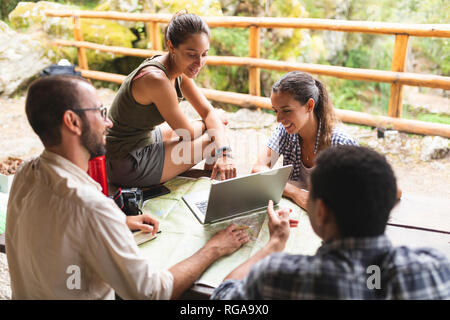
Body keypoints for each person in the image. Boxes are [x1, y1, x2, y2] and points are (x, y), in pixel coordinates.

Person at [5, 75, 249, 299]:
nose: (108, 123)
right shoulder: (91, 206)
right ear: (73, 122)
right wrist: (214, 248)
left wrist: (119, 222)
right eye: (101, 112)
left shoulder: (26, 172)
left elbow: (58, 225)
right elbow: (152, 293)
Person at [212, 146, 450, 299]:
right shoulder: (435, 269)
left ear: (322, 211)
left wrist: (273, 244)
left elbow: (224, 296)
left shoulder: (282, 277)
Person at [106, 12, 236, 187]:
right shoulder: (157, 79)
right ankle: (211, 179)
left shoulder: (178, 66)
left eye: (204, 54)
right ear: (171, 46)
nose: (199, 63)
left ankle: (208, 172)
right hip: (125, 161)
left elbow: (207, 111)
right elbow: (188, 133)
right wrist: (213, 124)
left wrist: (223, 148)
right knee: (215, 135)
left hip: (140, 140)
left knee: (217, 128)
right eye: (191, 54)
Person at [252, 71, 359, 210]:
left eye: (286, 110)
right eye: (276, 111)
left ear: (309, 106)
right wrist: (296, 193)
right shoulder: (285, 133)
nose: (278, 119)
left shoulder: (341, 144)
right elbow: (258, 170)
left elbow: (374, 189)